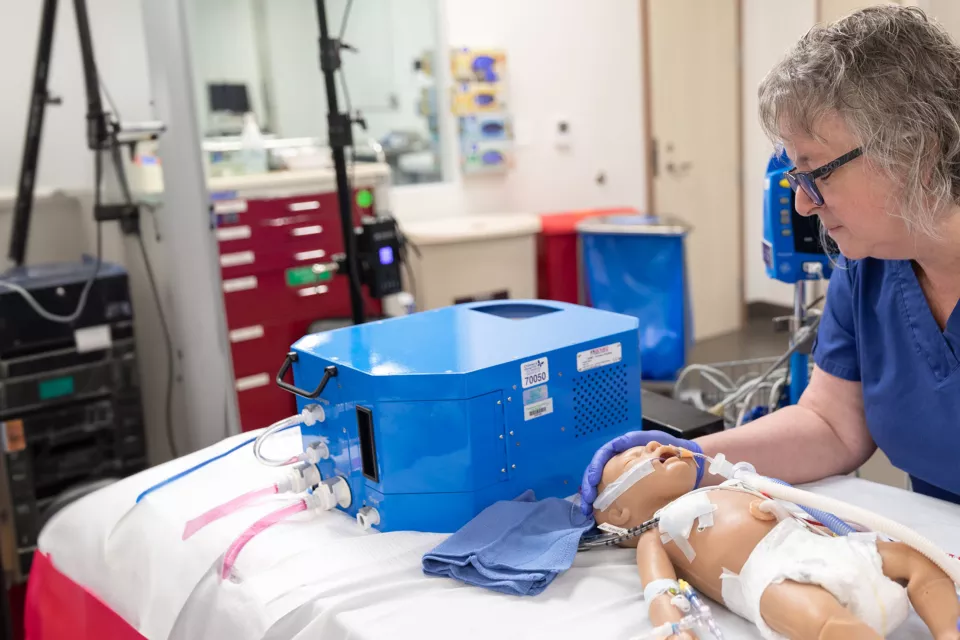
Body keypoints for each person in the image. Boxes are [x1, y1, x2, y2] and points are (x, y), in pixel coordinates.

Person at [582, 5, 960, 516]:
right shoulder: (867, 264)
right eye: (795, 178)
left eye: (816, 173)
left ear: (916, 147)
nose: (804, 204)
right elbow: (831, 426)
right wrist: (686, 461)